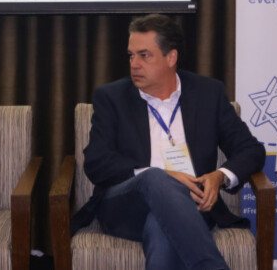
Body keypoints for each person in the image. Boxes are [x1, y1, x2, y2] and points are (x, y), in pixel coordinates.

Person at [71, 14, 266, 270]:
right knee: (154, 178)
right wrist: (158, 176)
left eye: (144, 55)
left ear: (171, 57)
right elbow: (96, 162)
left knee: (161, 227)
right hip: (125, 206)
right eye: (131, 56)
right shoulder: (111, 97)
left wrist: (219, 176)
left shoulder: (208, 93)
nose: (134, 64)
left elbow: (251, 149)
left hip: (191, 205)